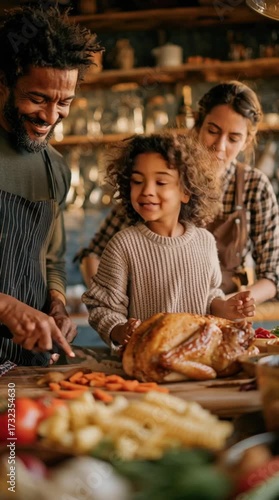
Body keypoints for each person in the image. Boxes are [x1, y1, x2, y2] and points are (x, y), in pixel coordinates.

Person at [77, 81, 279, 305]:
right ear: (197, 125)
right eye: (213, 131)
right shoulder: (165, 177)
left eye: (233, 138)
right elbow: (93, 254)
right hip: (160, 318)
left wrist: (224, 307)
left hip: (226, 319)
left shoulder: (255, 187)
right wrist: (111, 306)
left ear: (246, 141)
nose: (220, 146)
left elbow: (272, 276)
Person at [82, 133, 255, 352]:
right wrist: (120, 329)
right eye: (137, 181)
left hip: (197, 357)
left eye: (161, 182)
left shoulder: (205, 242)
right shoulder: (123, 245)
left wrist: (226, 308)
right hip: (145, 361)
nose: (147, 191)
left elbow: (210, 296)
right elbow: (101, 307)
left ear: (186, 191)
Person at [0, 5, 102, 366]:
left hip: (25, 363)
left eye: (65, 102)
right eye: (38, 98)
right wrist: (6, 307)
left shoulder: (55, 169)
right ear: (4, 83)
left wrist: (57, 304)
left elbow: (52, 258)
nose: (50, 116)